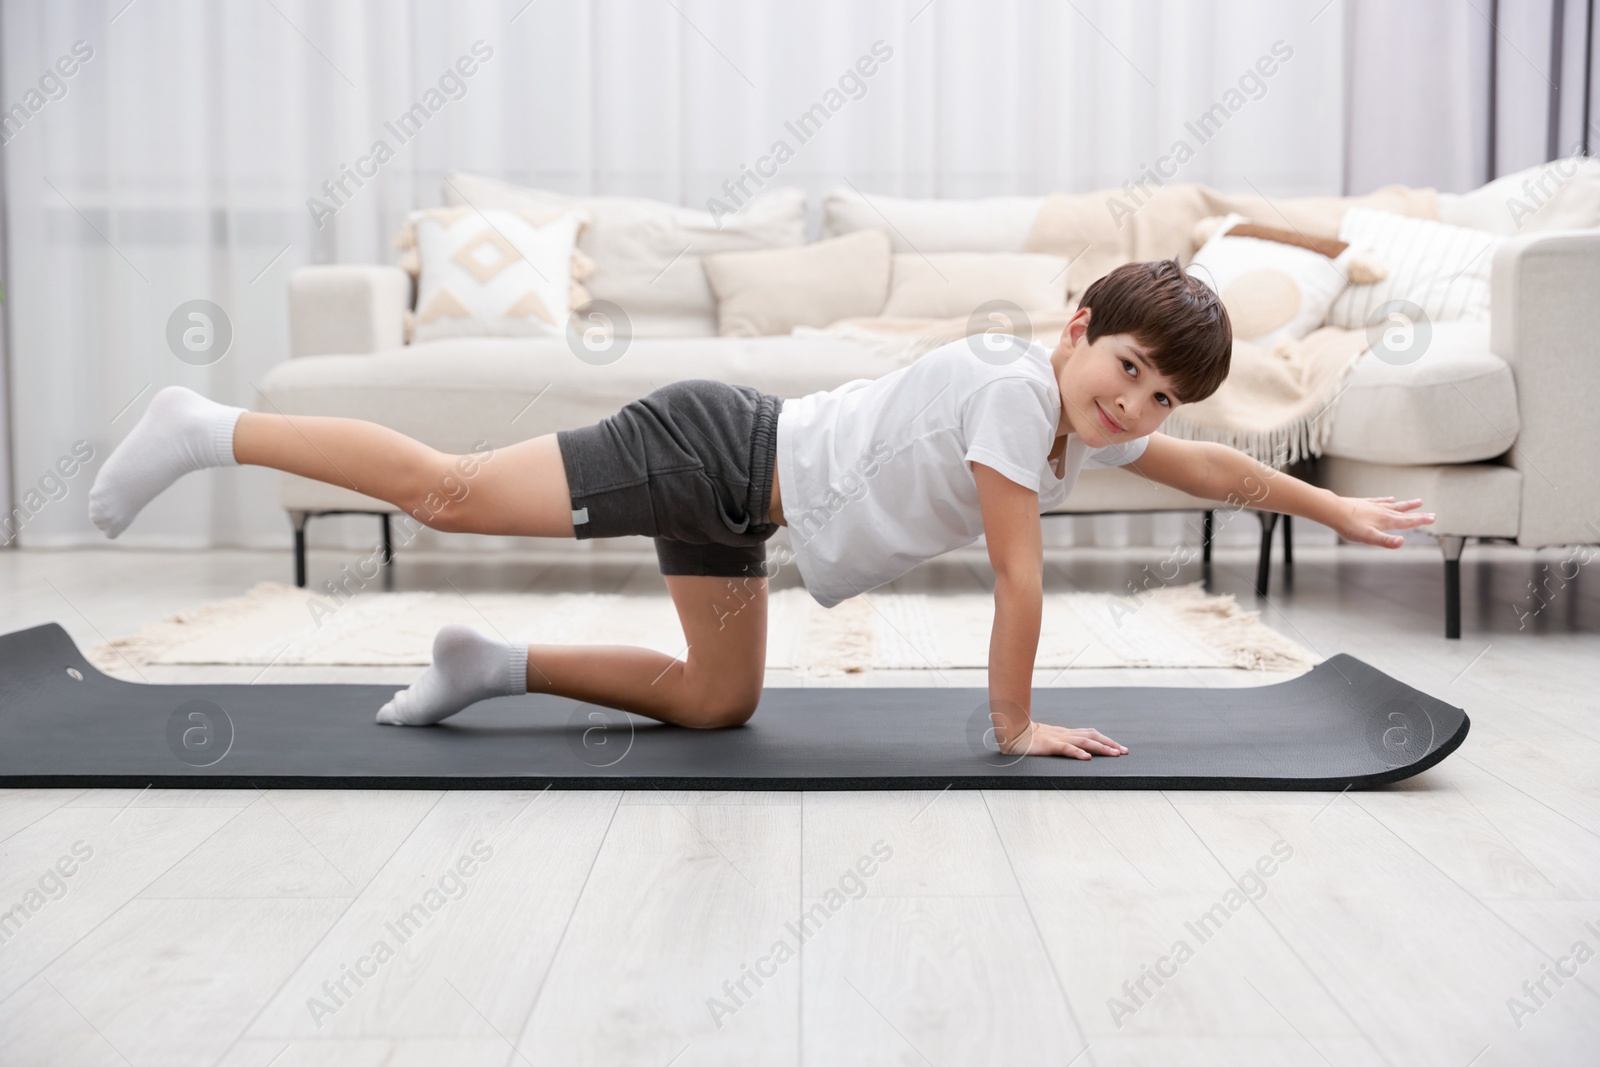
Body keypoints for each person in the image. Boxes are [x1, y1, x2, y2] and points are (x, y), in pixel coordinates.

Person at [87, 258, 1435, 760]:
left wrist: (1336, 515)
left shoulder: (1075, 414)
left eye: (1158, 399)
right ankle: (203, 426)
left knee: (717, 702)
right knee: (447, 496)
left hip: (742, 502)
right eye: (1127, 369)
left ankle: (490, 666)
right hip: (708, 449)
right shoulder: (1013, 401)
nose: (1136, 410)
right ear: (1078, 330)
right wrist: (1013, 729)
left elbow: (1210, 468)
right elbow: (1021, 582)